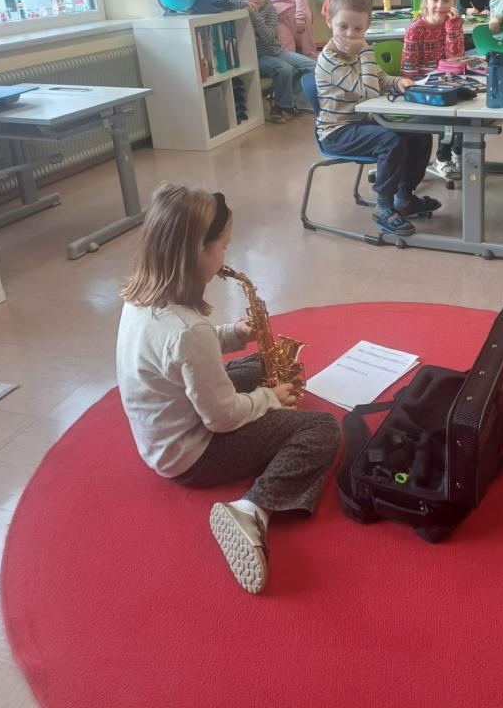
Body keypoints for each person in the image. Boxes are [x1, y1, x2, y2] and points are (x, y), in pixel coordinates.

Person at [116, 183, 341, 593]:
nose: (225, 257)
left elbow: (183, 354)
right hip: (192, 454)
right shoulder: (188, 331)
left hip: (162, 432)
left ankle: (264, 408)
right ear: (197, 252)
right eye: (223, 246)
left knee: (259, 364)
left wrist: (234, 334)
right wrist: (269, 399)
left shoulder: (142, 298)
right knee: (323, 428)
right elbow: (220, 418)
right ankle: (252, 509)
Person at [316, 0, 441, 236]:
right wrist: (365, 49)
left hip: (362, 123)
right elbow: (370, 91)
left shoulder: (356, 51)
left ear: (367, 26)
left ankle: (404, 197)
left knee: (419, 134)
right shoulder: (331, 59)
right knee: (390, 140)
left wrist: (399, 82)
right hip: (337, 131)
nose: (350, 35)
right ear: (329, 21)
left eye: (358, 29)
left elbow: (380, 79)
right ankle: (383, 206)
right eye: (343, 27)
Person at [401, 0, 465, 181]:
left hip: (448, 81)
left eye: (446, 1)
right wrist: (413, 88)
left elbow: (455, 59)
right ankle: (442, 157)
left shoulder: (454, 23)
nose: (440, 6)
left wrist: (452, 29)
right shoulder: (416, 29)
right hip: (422, 87)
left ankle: (458, 152)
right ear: (426, 1)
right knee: (449, 112)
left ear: (454, 3)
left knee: (469, 107)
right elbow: (408, 68)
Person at [236, 0, 316, 123]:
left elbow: (269, 38)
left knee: (312, 66)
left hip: (274, 51)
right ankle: (283, 106)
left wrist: (255, 15)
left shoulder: (270, 9)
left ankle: (289, 101)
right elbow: (230, 0)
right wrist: (245, 5)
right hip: (255, 57)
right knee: (284, 68)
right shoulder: (240, 7)